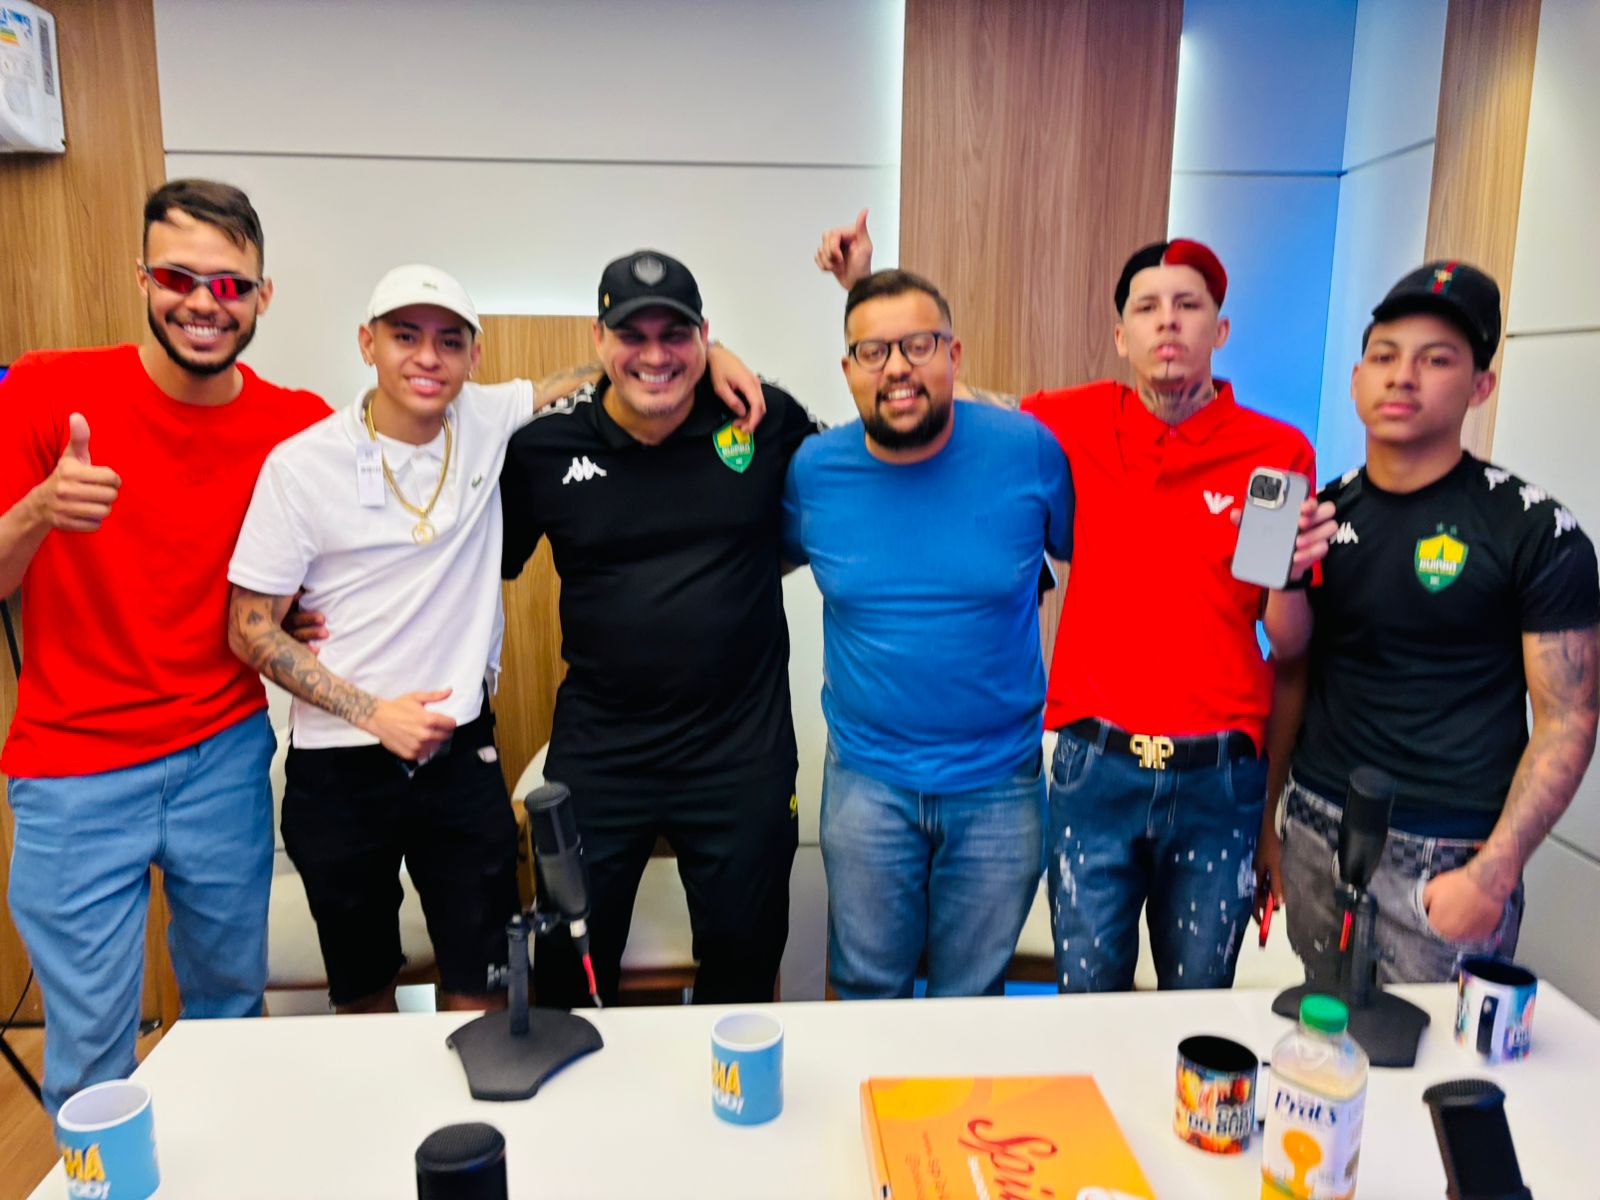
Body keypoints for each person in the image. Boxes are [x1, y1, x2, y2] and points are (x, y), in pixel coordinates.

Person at [228, 265, 767, 1014]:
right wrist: (373, 713)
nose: (428, 357)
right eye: (405, 336)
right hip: (340, 765)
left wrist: (718, 353)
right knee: (362, 990)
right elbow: (249, 626)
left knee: (482, 983)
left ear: (474, 356)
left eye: (450, 341)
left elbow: (621, 366)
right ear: (367, 343)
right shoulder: (301, 464)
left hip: (460, 758)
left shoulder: (487, 420)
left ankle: (476, 1096)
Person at [816, 217, 1334, 993]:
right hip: (1097, 766)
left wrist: (1289, 576)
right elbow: (935, 387)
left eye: (1188, 305)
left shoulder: (1275, 453)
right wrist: (862, 285)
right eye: (1147, 307)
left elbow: (1289, 646)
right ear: (1120, 336)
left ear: (1220, 330)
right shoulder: (1069, 426)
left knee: (1196, 1001)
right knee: (1083, 1001)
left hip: (1218, 773)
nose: (1167, 322)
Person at [0, 179, 328, 1115]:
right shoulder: (47, 391)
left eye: (229, 285)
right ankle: (110, 1178)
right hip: (72, 769)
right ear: (142, 278)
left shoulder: (297, 424)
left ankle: (232, 1171)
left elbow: (307, 583)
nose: (202, 303)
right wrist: (38, 509)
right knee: (90, 1054)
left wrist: (294, 617)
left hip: (222, 756)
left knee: (231, 1014)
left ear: (262, 296)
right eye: (179, 277)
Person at [1256, 261, 1599, 984]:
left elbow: (1569, 717)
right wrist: (1270, 825)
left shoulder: (1534, 530)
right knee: (1322, 1034)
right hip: (1318, 825)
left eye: (1436, 360)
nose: (1403, 377)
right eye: (1385, 357)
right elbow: (1291, 668)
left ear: (1481, 386)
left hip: (1449, 853)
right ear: (1356, 381)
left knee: (1434, 1050)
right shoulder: (1319, 517)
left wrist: (1494, 872)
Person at [500, 250, 819, 1008]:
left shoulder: (763, 420)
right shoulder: (543, 448)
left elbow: (862, 478)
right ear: (598, 339)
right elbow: (475, 562)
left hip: (740, 752)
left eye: (674, 334)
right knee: (568, 968)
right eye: (631, 335)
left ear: (704, 336)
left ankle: (728, 1085)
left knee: (744, 966)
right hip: (603, 753)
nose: (654, 355)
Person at [782, 268, 1073, 999]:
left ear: (953, 354)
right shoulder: (815, 471)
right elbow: (750, 566)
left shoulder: (1028, 452)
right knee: (865, 988)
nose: (897, 368)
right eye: (873, 352)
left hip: (999, 783)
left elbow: (1097, 563)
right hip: (867, 781)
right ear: (848, 369)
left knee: (970, 1000)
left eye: (918, 345)